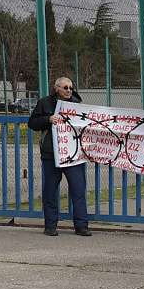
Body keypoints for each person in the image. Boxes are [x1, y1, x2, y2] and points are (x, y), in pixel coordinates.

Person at [28, 76, 91, 237]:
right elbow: (32, 123)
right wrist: (48, 119)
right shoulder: (45, 103)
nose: (69, 90)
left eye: (70, 87)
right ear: (56, 88)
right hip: (51, 154)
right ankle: (50, 226)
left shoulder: (78, 105)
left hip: (73, 154)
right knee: (50, 191)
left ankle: (81, 226)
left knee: (78, 191)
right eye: (65, 87)